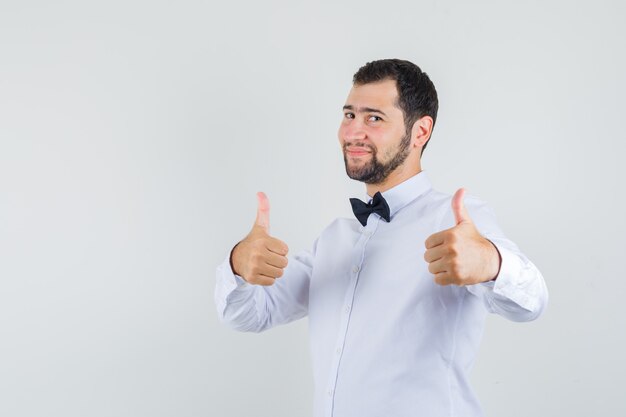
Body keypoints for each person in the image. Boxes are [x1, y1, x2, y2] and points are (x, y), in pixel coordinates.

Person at [214, 59, 548, 417]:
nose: (353, 132)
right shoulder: (334, 240)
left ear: (420, 132)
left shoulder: (454, 222)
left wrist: (490, 263)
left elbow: (532, 303)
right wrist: (237, 265)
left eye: (374, 118)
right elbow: (249, 315)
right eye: (349, 115)